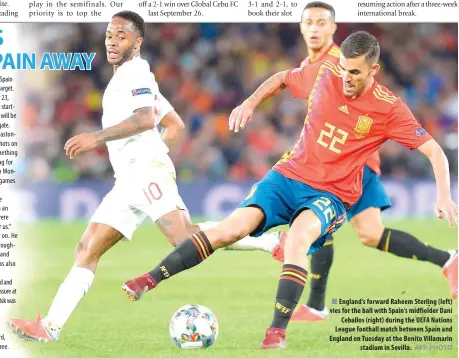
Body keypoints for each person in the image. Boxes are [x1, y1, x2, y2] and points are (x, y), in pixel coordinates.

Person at [122, 30, 458, 349]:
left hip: (332, 195)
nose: (346, 78)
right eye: (343, 70)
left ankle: (275, 333)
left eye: (355, 72)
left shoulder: (389, 107)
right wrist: (250, 103)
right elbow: (282, 77)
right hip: (287, 175)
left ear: (374, 69)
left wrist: (443, 195)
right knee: (229, 230)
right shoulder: (326, 72)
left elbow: (434, 151)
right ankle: (148, 280)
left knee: (298, 240)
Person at [225, 1, 459, 323]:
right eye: (309, 22)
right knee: (370, 234)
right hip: (332, 163)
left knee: (318, 221)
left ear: (334, 28)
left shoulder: (340, 63)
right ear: (300, 27)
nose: (315, 29)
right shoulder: (313, 65)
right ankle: (447, 259)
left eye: (322, 23)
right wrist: (252, 102)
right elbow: (288, 86)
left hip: (352, 166)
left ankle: (314, 299)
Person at [7, 11, 219, 342]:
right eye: (109, 34)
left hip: (143, 172)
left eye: (121, 35)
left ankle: (265, 240)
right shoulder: (132, 79)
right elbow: (172, 125)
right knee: (87, 247)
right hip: (130, 179)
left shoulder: (136, 72)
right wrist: (154, 154)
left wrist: (98, 138)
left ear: (138, 41)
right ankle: (49, 327)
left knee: (184, 239)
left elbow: (146, 119)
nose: (112, 40)